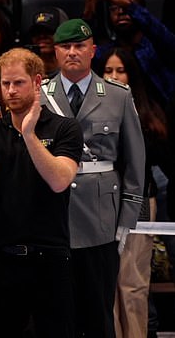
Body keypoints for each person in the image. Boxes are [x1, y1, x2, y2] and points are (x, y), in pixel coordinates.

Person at [0, 47, 83, 337]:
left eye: (18, 82)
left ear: (37, 82)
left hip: (51, 258)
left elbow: (59, 180)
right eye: (5, 83)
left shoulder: (66, 128)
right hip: (0, 259)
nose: (9, 90)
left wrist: (30, 135)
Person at [42, 19, 145, 338]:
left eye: (79, 46)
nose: (72, 52)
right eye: (65, 46)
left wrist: (126, 219)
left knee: (99, 314)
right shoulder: (40, 94)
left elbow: (135, 161)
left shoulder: (117, 95)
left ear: (92, 51)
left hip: (101, 219)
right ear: (55, 51)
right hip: (51, 217)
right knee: (56, 315)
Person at [95, 47, 169, 338]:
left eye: (120, 70)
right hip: (100, 202)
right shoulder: (89, 110)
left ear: (132, 74)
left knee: (133, 284)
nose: (114, 77)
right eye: (108, 70)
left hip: (138, 203)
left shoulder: (149, 114)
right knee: (106, 283)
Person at [85, 0, 175, 109]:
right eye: (114, 8)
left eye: (124, 6)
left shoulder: (156, 46)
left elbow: (164, 37)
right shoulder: (107, 52)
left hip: (162, 120)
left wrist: (129, 5)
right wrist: (89, 11)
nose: (121, 11)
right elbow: (81, 54)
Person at [26, 6, 68, 78]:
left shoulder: (75, 70)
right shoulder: (26, 71)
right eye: (37, 32)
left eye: (48, 31)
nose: (42, 36)